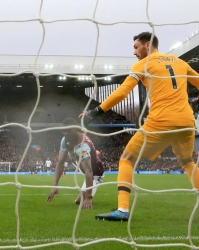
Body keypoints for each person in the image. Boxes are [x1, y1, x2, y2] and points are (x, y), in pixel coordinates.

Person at [80, 31, 199, 221]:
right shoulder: (180, 62)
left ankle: (123, 210)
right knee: (187, 162)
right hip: (186, 121)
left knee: (126, 159)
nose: (134, 52)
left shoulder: (143, 64)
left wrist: (94, 113)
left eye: (136, 47)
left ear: (147, 45)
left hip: (161, 120)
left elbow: (122, 93)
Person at [47, 117, 105, 209]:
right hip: (86, 171)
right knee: (80, 200)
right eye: (64, 131)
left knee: (80, 202)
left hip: (96, 173)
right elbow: (60, 163)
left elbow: (89, 170)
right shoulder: (65, 140)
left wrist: (88, 197)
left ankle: (86, 193)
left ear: (76, 129)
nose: (65, 133)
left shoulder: (83, 145)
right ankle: (84, 192)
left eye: (68, 130)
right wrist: (54, 186)